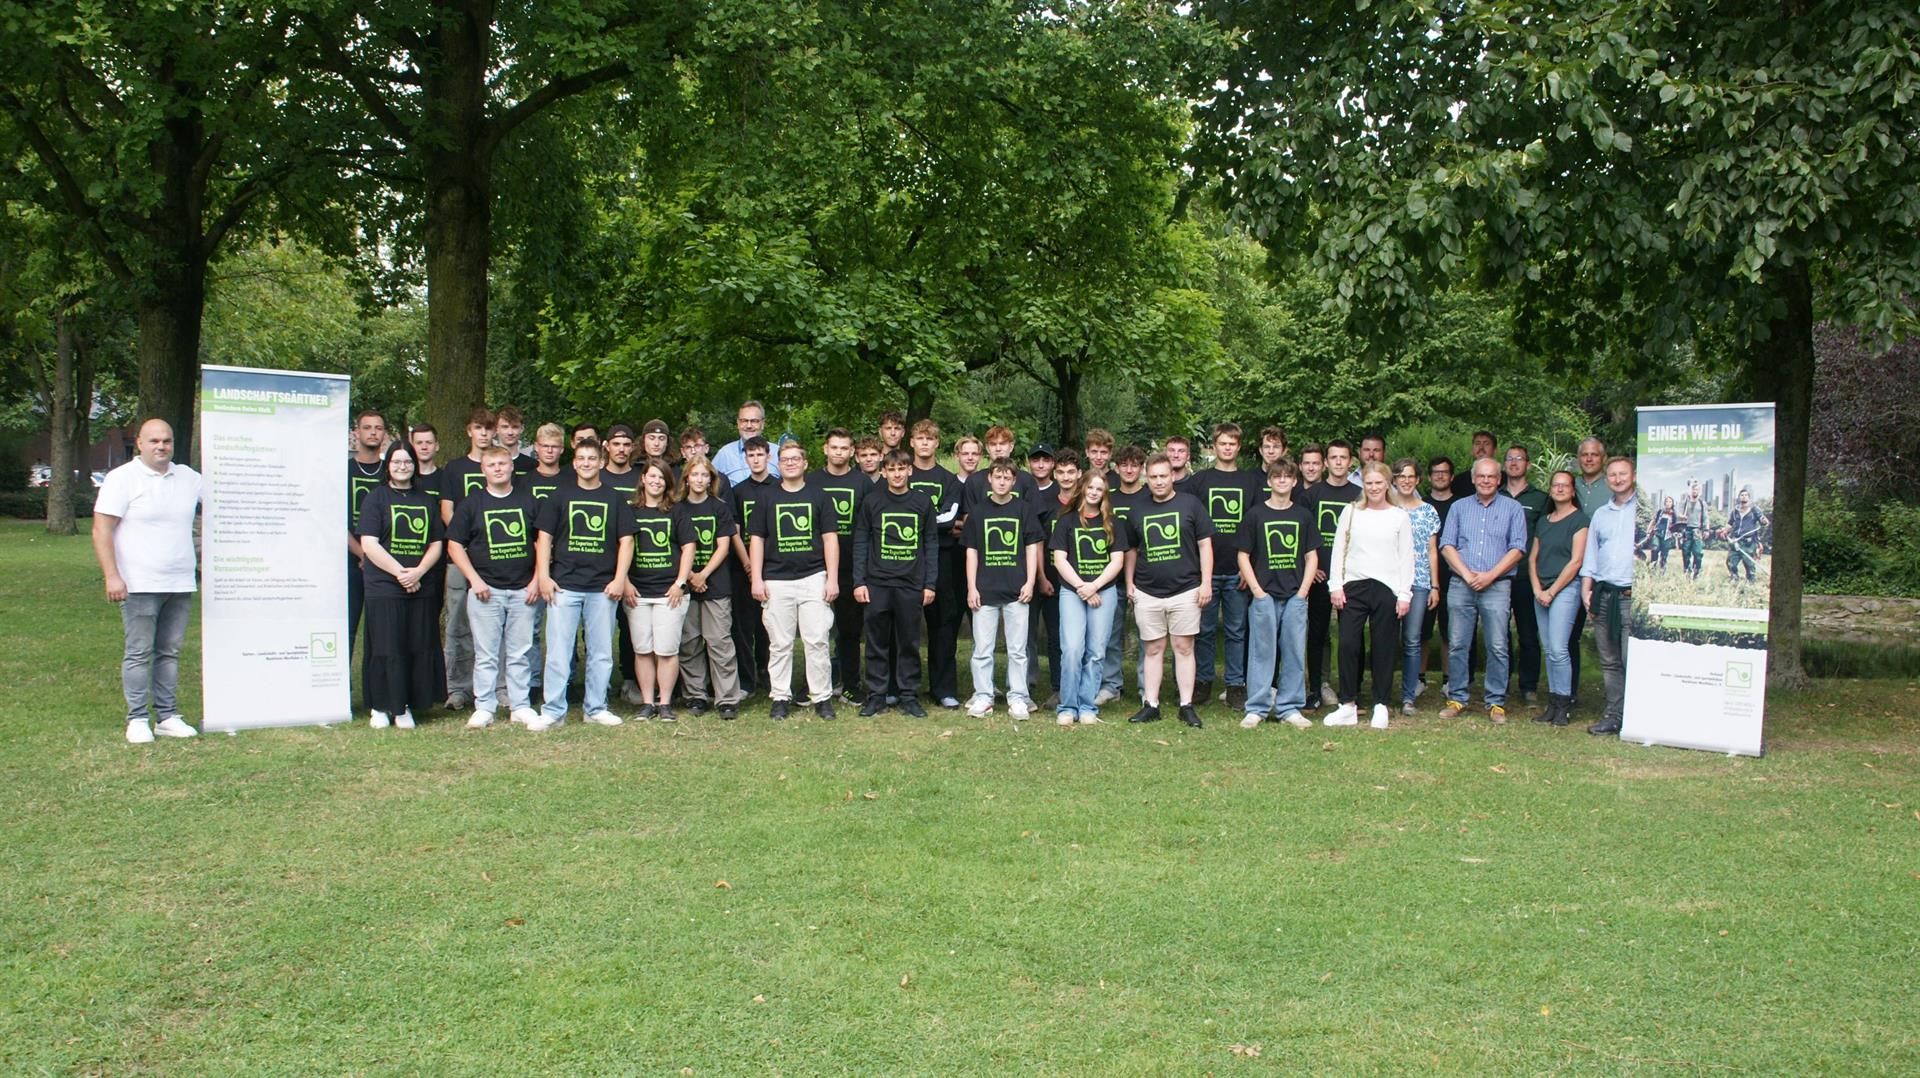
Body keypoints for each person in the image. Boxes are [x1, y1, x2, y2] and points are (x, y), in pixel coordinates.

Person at [93, 418, 203, 743]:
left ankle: (167, 716)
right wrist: (112, 575)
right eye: (154, 441)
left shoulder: (189, 478)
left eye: (167, 441)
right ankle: (138, 718)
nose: (161, 447)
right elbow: (102, 529)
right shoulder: (121, 479)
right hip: (138, 583)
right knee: (139, 651)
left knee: (169, 651)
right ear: (139, 443)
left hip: (180, 582)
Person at [531, 437, 636, 730]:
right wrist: (543, 576)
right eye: (582, 459)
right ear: (574, 462)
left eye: (592, 458)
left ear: (601, 462)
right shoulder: (559, 495)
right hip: (564, 585)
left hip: (602, 588)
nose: (587, 463)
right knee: (558, 653)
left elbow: (626, 541)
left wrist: (619, 579)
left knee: (601, 653)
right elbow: (545, 539)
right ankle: (553, 711)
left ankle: (596, 708)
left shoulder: (613, 498)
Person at [445, 445, 542, 728]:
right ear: (483, 469)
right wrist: (474, 580)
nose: (498, 468)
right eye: (492, 465)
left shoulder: (529, 500)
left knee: (520, 651)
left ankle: (520, 705)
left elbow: (541, 543)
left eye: (503, 463)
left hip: (524, 590)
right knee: (485, 653)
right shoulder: (471, 503)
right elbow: (454, 545)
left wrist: (536, 580)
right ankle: (484, 706)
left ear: (512, 465)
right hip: (486, 590)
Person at [356, 441, 447, 729]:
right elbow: (369, 544)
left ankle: (405, 705)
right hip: (384, 586)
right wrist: (400, 573)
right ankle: (382, 706)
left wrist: (417, 572)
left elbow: (436, 542)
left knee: (414, 645)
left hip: (420, 586)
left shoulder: (426, 500)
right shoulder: (375, 498)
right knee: (386, 646)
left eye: (407, 462)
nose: (402, 467)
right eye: (396, 462)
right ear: (388, 466)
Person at [751, 441, 840, 719]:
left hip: (814, 577)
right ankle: (780, 697)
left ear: (805, 464)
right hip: (776, 580)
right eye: (785, 459)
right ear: (778, 464)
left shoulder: (820, 495)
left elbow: (830, 539)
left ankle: (821, 697)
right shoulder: (767, 497)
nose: (790, 463)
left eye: (795, 459)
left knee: (817, 640)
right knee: (779, 643)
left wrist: (832, 579)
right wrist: (756, 578)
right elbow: (756, 539)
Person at [1124, 452, 1215, 728]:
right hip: (1148, 591)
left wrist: (1206, 582)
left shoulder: (1191, 505)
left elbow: (1205, 545)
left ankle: (1186, 705)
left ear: (1173, 475)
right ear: (1146, 478)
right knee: (1153, 648)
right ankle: (1151, 704)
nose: (1159, 481)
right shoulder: (1137, 510)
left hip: (1186, 589)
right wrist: (1130, 583)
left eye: (1164, 476)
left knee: (1183, 647)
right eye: (1153, 477)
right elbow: (1131, 550)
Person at [1438, 458, 1530, 723]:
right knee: (1457, 644)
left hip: (1497, 584)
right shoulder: (1458, 507)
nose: (1486, 481)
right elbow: (1446, 545)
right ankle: (1456, 698)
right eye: (1481, 476)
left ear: (1499, 479)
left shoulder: (1513, 508)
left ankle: (1496, 702)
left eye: (1491, 477)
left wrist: (1490, 576)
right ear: (1474, 478)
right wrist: (1468, 575)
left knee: (1498, 645)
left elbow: (1518, 548)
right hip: (1461, 583)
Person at [1327, 462, 1413, 729]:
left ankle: (1380, 704)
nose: (1374, 487)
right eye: (1369, 482)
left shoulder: (1399, 516)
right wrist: (1335, 586)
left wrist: (1404, 594)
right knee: (1349, 645)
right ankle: (1348, 704)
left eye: (1379, 482)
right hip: (1354, 586)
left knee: (1384, 647)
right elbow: (1338, 549)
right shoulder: (1351, 512)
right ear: (1363, 484)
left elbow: (1406, 557)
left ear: (1388, 484)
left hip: (1387, 588)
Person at [1237, 458, 1321, 730]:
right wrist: (1257, 591)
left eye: (1287, 476)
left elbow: (1312, 556)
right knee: (1262, 652)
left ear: (1295, 482)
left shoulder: (1303, 515)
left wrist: (1303, 592)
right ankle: (1257, 707)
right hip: (1265, 596)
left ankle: (1289, 707)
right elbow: (1243, 556)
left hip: (1295, 595)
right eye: (1277, 476)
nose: (1282, 480)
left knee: (1295, 651)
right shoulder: (1255, 515)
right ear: (1270, 481)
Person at [853, 448, 937, 716]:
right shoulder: (872, 501)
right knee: (876, 642)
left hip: (911, 583)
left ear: (910, 471)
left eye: (902, 469)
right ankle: (877, 694)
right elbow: (861, 541)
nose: (897, 474)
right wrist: (859, 581)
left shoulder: (922, 503)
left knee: (909, 642)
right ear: (883, 472)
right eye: (892, 469)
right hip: (877, 583)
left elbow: (931, 543)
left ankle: (908, 695)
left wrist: (930, 583)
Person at [1181, 422, 1258, 709]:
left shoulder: (1250, 482)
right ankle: (1203, 681)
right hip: (1207, 572)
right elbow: (1188, 525)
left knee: (1237, 630)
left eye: (1232, 443)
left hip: (1237, 571)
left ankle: (1236, 684)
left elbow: (1257, 527)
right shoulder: (1199, 481)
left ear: (1239, 446)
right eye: (1223, 443)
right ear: (1215, 445)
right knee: (1204, 629)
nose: (1227, 448)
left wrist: (1248, 569)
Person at [964, 461, 1044, 719]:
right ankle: (984, 696)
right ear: (990, 479)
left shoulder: (1024, 509)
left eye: (1007, 477)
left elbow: (1032, 548)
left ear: (1014, 481)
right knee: (982, 649)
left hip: (1016, 591)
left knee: (1018, 650)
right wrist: (971, 587)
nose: (1001, 481)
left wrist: (1030, 581)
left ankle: (1019, 697)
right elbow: (971, 551)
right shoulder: (977, 512)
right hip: (985, 592)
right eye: (997, 476)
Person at [1050, 471, 1128, 725]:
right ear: (1082, 489)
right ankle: (1067, 706)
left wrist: (1094, 586)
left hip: (1103, 591)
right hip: (1072, 592)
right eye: (1091, 488)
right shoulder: (1066, 521)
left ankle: (1087, 706)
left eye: (1100, 489)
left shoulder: (1113, 523)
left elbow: (1118, 561)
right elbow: (1059, 559)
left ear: (1104, 494)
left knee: (1096, 651)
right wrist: (1081, 587)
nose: (1094, 492)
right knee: (1072, 649)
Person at [622, 457, 695, 720]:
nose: (655, 481)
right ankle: (647, 703)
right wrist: (625, 582)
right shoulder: (630, 510)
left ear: (668, 483)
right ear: (643, 479)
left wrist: (680, 582)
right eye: (651, 476)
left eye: (661, 478)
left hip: (669, 594)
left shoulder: (676, 510)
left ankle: (665, 704)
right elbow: (622, 546)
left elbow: (688, 547)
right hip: (638, 593)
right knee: (642, 650)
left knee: (666, 650)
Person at [436, 408, 497, 709]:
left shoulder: (502, 465)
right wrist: (466, 546)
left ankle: (495, 688)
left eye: (488, 428)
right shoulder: (455, 468)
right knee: (459, 623)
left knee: (495, 625)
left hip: (496, 559)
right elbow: (447, 511)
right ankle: (458, 687)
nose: (483, 433)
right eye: (478, 428)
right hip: (461, 560)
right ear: (468, 431)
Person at [674, 457, 743, 718]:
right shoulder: (677, 508)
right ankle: (695, 695)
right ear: (687, 478)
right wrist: (690, 575)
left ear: (711, 480)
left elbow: (724, 546)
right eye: (695, 475)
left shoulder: (719, 508)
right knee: (689, 642)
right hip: (686, 585)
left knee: (719, 642)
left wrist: (703, 574)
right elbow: (675, 546)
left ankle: (727, 699)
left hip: (716, 583)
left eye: (705, 475)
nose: (700, 480)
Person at [909, 422, 966, 708]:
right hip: (904, 559)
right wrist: (934, 522)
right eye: (920, 438)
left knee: (943, 624)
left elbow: (950, 518)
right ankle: (903, 687)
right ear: (911, 442)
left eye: (930, 439)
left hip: (941, 560)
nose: (924, 443)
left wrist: (913, 521)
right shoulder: (900, 473)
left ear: (937, 443)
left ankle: (943, 689)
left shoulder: (949, 480)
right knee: (904, 624)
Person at [1582, 456, 1639, 736]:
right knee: (1610, 661)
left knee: (1632, 659)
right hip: (1604, 594)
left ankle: (1638, 715)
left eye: (1623, 474)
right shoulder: (1601, 515)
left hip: (1631, 597)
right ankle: (1614, 714)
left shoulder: (1644, 510)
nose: (1617, 479)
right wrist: (1587, 589)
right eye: (1613, 475)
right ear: (1607, 480)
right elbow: (1591, 554)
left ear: (1634, 475)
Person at [1529, 470, 1589, 727]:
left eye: (1565, 485)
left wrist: (1552, 592)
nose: (1560, 489)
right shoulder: (1544, 521)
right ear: (1551, 490)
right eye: (1556, 485)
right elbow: (1532, 558)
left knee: (1559, 649)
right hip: (1541, 590)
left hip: (1565, 589)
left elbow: (1576, 561)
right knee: (1549, 649)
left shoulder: (1580, 520)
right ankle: (1552, 705)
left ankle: (1563, 705)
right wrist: (1537, 590)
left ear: (1573, 491)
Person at [812, 428, 867, 702]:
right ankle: (816, 685)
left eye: (844, 448)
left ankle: (851, 685)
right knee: (816, 632)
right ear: (825, 449)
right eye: (834, 447)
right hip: (813, 567)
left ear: (852, 452)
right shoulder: (811, 482)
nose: (839, 452)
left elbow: (869, 528)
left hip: (851, 568)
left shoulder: (863, 483)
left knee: (849, 631)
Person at [1305, 440, 1361, 708]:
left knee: (1352, 636)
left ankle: (1353, 691)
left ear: (1351, 462)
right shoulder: (1312, 494)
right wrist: (1312, 566)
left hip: (1351, 577)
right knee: (1317, 634)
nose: (1339, 462)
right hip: (1319, 576)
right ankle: (1316, 689)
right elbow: (1303, 533)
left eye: (1344, 458)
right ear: (1325, 462)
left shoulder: (1359, 495)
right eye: (1334, 458)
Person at [1389, 458, 1442, 715]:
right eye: (1401, 476)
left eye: (1411, 476)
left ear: (1418, 480)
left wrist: (1435, 586)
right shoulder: (1386, 508)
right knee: (1386, 639)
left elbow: (1432, 551)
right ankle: (1383, 692)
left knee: (1412, 640)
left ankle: (1408, 696)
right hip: (1388, 582)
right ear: (1394, 480)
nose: (1406, 480)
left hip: (1419, 582)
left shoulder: (1428, 511)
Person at [1099, 445, 1151, 704]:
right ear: (1116, 469)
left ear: (1142, 469)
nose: (1129, 470)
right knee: (1111, 634)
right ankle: (1111, 685)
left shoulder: (1151, 497)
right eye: (1124, 465)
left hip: (1148, 578)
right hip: (1112, 580)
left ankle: (1146, 687)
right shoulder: (1109, 500)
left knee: (1147, 637)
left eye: (1135, 465)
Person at [729, 435, 778, 697]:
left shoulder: (779, 488)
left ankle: (770, 676)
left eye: (760, 454)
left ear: (769, 456)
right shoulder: (738, 492)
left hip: (773, 567)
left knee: (769, 627)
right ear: (745, 458)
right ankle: (747, 681)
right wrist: (748, 563)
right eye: (751, 455)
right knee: (744, 627)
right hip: (742, 569)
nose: (756, 459)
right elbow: (734, 531)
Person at [1501, 444, 1550, 705]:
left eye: (1519, 459)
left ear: (1528, 465)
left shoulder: (1539, 498)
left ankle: (1529, 686)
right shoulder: (1494, 494)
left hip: (1526, 576)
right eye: (1509, 459)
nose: (1514, 463)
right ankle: (1502, 683)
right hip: (1498, 575)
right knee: (1500, 634)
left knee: (1529, 633)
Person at [347, 409, 389, 657]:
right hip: (351, 563)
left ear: (384, 434)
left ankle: (378, 689)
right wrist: (362, 553)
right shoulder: (344, 470)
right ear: (356, 433)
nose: (373, 432)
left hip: (386, 564)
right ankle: (344, 687)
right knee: (349, 625)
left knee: (381, 630)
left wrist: (376, 557)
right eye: (367, 427)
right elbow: (334, 520)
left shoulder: (391, 470)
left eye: (378, 428)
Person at [712, 400, 767, 485]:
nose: (749, 426)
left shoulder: (777, 453)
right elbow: (709, 483)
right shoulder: (725, 454)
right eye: (744, 421)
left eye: (754, 421)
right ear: (738, 423)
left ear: (762, 423)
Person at [1724, 488, 1769, 582]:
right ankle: (1734, 578)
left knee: (1749, 564)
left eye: (1745, 495)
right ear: (1739, 497)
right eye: (1742, 495)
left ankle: (1751, 581)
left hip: (1748, 542)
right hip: (1736, 541)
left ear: (1749, 498)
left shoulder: (1754, 510)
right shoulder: (1735, 511)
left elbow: (1762, 518)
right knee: (1731, 562)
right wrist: (1724, 531)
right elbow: (1729, 524)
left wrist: (1763, 521)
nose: (1743, 496)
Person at [528, 422, 570, 500]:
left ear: (562, 449)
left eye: (554, 446)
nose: (549, 450)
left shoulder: (571, 481)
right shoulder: (523, 482)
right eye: (545, 446)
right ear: (536, 447)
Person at [1451, 430, 1498, 498]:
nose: (1481, 447)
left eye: (1486, 444)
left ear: (1495, 450)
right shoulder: (1458, 481)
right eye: (1477, 443)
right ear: (1472, 450)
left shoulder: (1505, 480)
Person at [1678, 479, 1709, 580]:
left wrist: (1706, 529)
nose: (1695, 491)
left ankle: (1697, 572)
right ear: (1690, 490)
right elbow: (1678, 514)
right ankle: (1687, 571)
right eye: (1693, 489)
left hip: (1697, 530)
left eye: (1697, 490)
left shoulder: (1702, 503)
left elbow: (1705, 517)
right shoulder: (1684, 502)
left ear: (1699, 491)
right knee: (1685, 552)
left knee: (1698, 553)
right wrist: (1681, 516)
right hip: (1686, 530)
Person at [1573, 437, 1609, 513]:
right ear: (1578, 459)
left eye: (1594, 454)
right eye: (1584, 454)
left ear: (1604, 458)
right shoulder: (1571, 485)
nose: (1589, 459)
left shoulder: (1613, 486)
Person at [1644, 496, 1679, 567]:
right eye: (1667, 501)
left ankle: (1662, 572)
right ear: (1664, 503)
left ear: (1672, 504)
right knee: (1655, 549)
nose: (1668, 503)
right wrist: (1648, 532)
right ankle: (1652, 568)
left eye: (1670, 502)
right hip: (1657, 534)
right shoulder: (1660, 512)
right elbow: (1653, 521)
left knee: (1664, 555)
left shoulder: (1674, 514)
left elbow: (1675, 527)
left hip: (1667, 537)